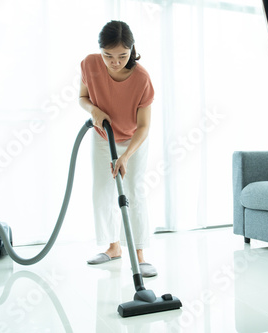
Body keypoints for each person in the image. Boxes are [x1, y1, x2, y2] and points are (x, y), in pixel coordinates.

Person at [79, 20, 156, 277]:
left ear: (132, 49)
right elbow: (83, 97)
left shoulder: (142, 78)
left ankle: (140, 254)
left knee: (133, 191)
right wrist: (94, 110)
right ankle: (113, 247)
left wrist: (125, 155)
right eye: (108, 56)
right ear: (100, 50)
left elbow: (144, 127)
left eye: (122, 56)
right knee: (101, 190)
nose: (115, 62)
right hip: (104, 136)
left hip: (133, 140)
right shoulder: (89, 64)